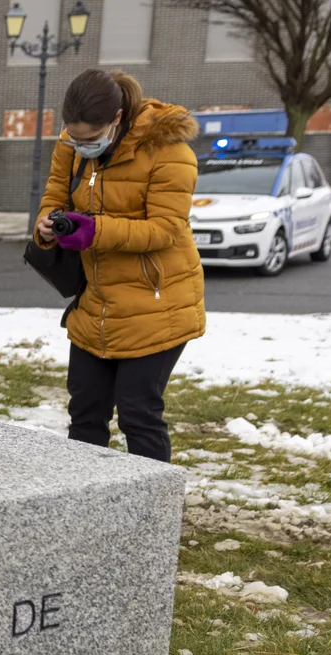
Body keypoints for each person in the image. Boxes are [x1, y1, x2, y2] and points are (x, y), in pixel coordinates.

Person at [33, 68, 202, 462]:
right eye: (73, 137)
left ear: (117, 119)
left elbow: (165, 229)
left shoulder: (169, 149)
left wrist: (96, 231)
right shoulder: (71, 142)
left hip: (159, 303)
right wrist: (47, 226)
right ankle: (85, 502)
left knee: (138, 412)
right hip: (96, 303)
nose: (79, 145)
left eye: (89, 139)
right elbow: (56, 193)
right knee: (85, 412)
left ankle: (151, 513)